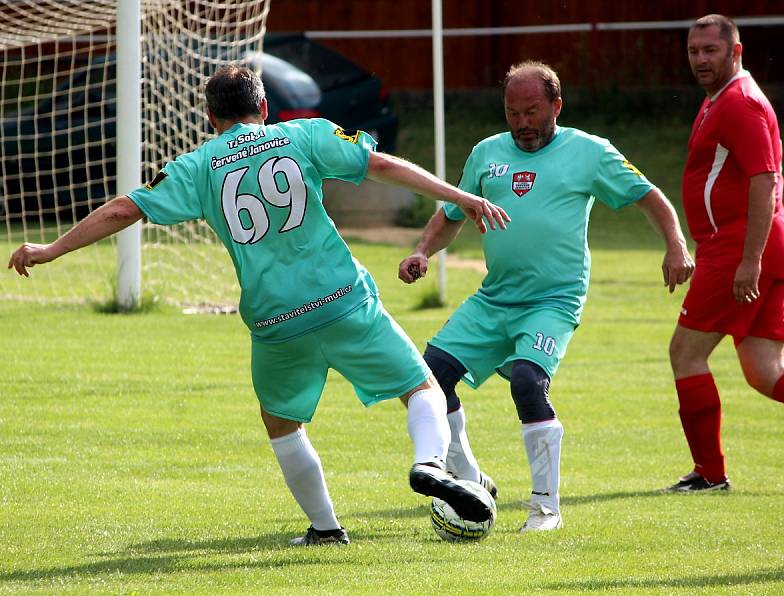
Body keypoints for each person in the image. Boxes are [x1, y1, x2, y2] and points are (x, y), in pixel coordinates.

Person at [8, 65, 510, 545]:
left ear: (211, 118)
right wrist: (459, 197)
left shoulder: (198, 165)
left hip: (275, 319)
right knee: (420, 387)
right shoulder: (304, 134)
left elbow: (123, 209)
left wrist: (51, 250)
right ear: (264, 106)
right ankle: (428, 462)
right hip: (343, 300)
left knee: (282, 423)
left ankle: (327, 528)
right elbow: (380, 164)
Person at [399, 60, 694, 531]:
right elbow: (453, 214)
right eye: (512, 113)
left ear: (557, 105)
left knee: (526, 381)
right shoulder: (486, 153)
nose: (521, 124)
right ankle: (469, 477)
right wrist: (422, 251)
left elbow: (649, 195)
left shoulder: (590, 152)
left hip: (553, 300)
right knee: (429, 378)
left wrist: (676, 244)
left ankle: (544, 509)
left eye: (532, 111)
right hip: (494, 298)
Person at [665, 15, 784, 493]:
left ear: (735, 52)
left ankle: (709, 474)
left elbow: (767, 180)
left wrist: (749, 259)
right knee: (765, 372)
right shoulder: (720, 99)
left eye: (711, 50)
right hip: (750, 246)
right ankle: (710, 473)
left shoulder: (740, 103)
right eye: (694, 51)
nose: (701, 59)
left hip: (739, 248)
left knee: (685, 353)